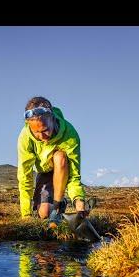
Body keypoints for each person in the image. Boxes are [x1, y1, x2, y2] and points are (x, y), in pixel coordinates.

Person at [17, 96, 88, 228]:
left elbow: (74, 175)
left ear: (52, 119)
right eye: (36, 132)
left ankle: (57, 205)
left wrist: (79, 200)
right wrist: (25, 215)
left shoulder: (70, 134)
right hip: (44, 172)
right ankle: (59, 205)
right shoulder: (25, 137)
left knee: (60, 157)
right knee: (43, 214)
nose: (41, 136)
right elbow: (24, 176)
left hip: (63, 168)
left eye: (45, 130)